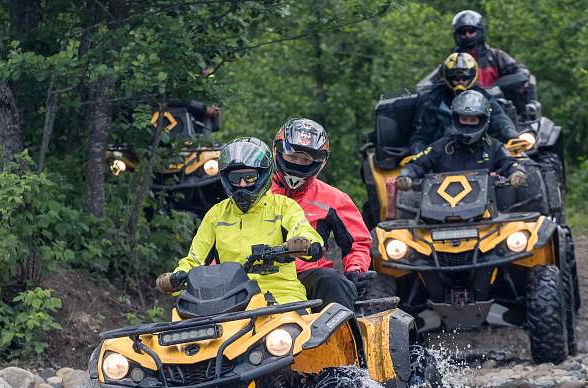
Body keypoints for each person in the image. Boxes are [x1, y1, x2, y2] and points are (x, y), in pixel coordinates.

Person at [156, 137, 324, 304]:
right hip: (227, 299)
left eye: (250, 177)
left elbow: (302, 230)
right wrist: (177, 276)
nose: (242, 184)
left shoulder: (284, 207)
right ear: (225, 178)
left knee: (298, 328)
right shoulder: (216, 214)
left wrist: (303, 243)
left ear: (263, 175)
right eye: (235, 178)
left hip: (281, 296)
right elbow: (195, 259)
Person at [270, 118, 372, 312]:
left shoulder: (334, 199)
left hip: (309, 276)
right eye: (293, 157)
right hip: (260, 277)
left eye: (306, 159)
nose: (299, 164)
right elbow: (226, 232)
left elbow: (358, 243)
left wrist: (356, 269)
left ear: (320, 162)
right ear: (278, 152)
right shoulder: (256, 193)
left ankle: (346, 339)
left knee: (333, 280)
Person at [397, 90, 527, 190]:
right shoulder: (440, 146)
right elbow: (416, 164)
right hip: (440, 212)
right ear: (455, 118)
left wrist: (517, 173)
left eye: (473, 120)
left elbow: (510, 163)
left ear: (483, 120)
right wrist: (406, 176)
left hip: (491, 213)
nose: (468, 124)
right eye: (464, 119)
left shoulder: (494, 146)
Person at [409, 52, 523, 155]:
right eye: (455, 78)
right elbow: (420, 134)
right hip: (442, 155)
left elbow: (500, 119)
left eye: (464, 78)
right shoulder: (432, 99)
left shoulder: (484, 97)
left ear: (473, 76)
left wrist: (511, 134)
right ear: (446, 77)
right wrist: (420, 153)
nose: (460, 82)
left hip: (479, 153)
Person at [449, 9, 539, 116]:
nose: (467, 35)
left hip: (496, 108)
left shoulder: (496, 56)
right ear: (457, 35)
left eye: (471, 31)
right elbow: (431, 83)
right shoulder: (452, 61)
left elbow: (519, 69)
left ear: (480, 31)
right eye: (463, 32)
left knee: (528, 80)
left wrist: (521, 74)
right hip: (461, 110)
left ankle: (529, 109)